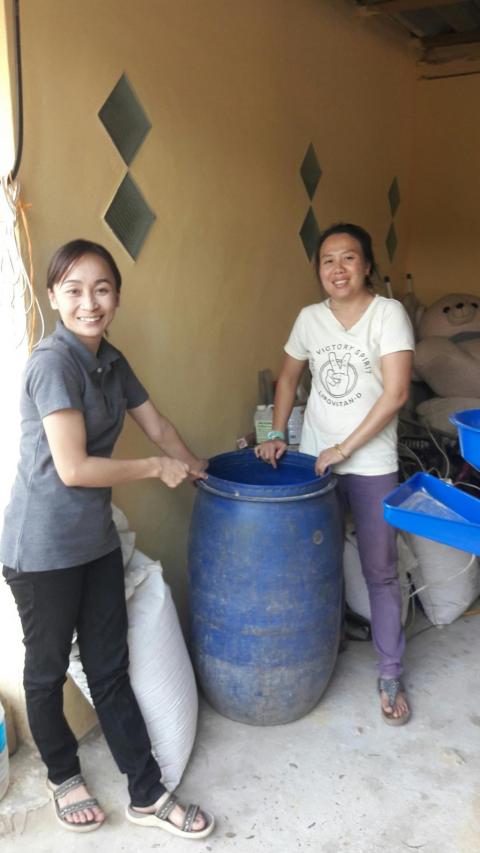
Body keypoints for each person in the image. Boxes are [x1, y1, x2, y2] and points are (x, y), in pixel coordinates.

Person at [0, 239, 215, 837]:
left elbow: (158, 425)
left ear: (117, 297)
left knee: (109, 667)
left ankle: (147, 794)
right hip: (41, 550)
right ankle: (63, 775)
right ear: (53, 296)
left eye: (101, 289)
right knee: (46, 671)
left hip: (94, 541)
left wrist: (199, 468)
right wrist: (154, 468)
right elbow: (73, 468)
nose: (89, 303)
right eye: (73, 290)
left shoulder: (112, 361)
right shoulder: (52, 364)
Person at [255, 223, 414, 725]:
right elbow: (287, 379)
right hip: (315, 465)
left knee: (380, 570)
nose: (338, 269)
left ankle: (390, 670)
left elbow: (396, 394)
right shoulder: (309, 319)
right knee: (316, 565)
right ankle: (326, 644)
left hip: (370, 465)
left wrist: (343, 448)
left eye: (348, 258)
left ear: (366, 265)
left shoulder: (388, 315)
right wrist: (275, 432)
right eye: (327, 260)